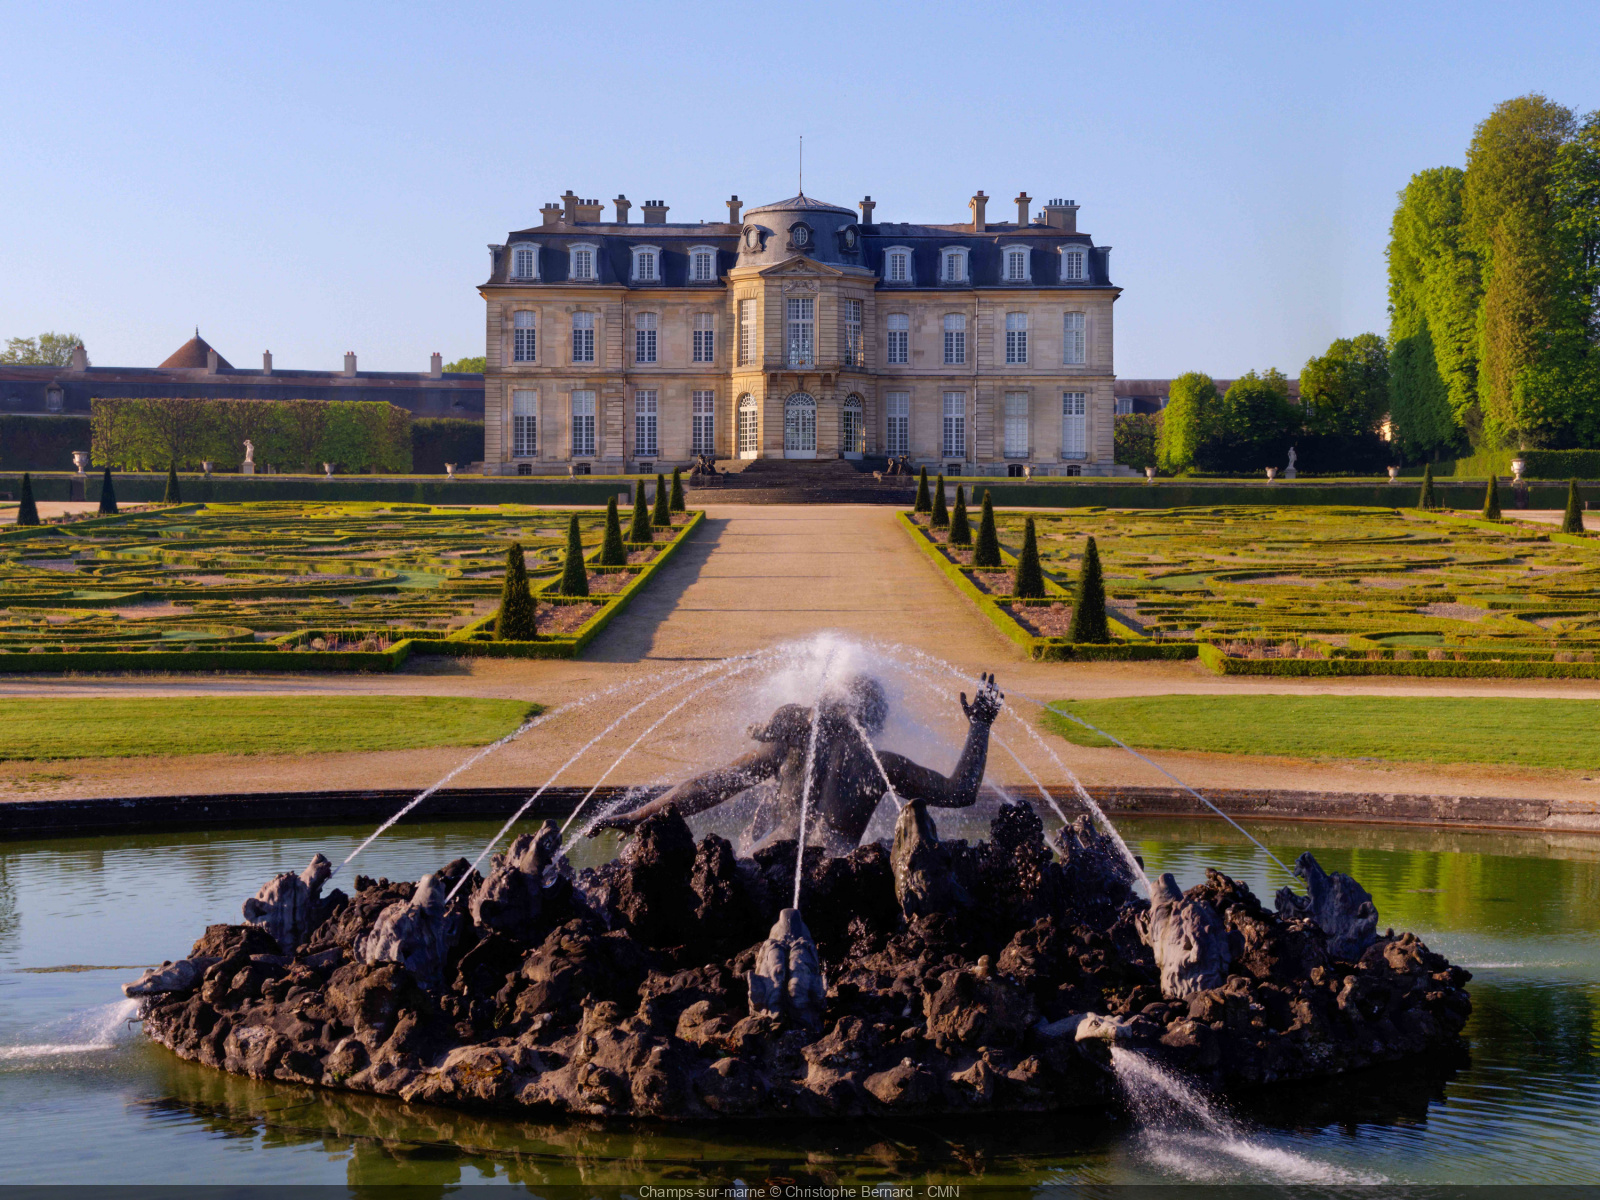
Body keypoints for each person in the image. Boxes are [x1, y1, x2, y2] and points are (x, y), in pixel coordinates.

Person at [592, 673, 1004, 852]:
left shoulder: (788, 747)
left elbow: (709, 786)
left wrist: (640, 815)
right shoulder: (879, 764)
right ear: (874, 721)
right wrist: (981, 725)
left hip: (773, 860)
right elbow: (960, 792)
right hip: (835, 873)